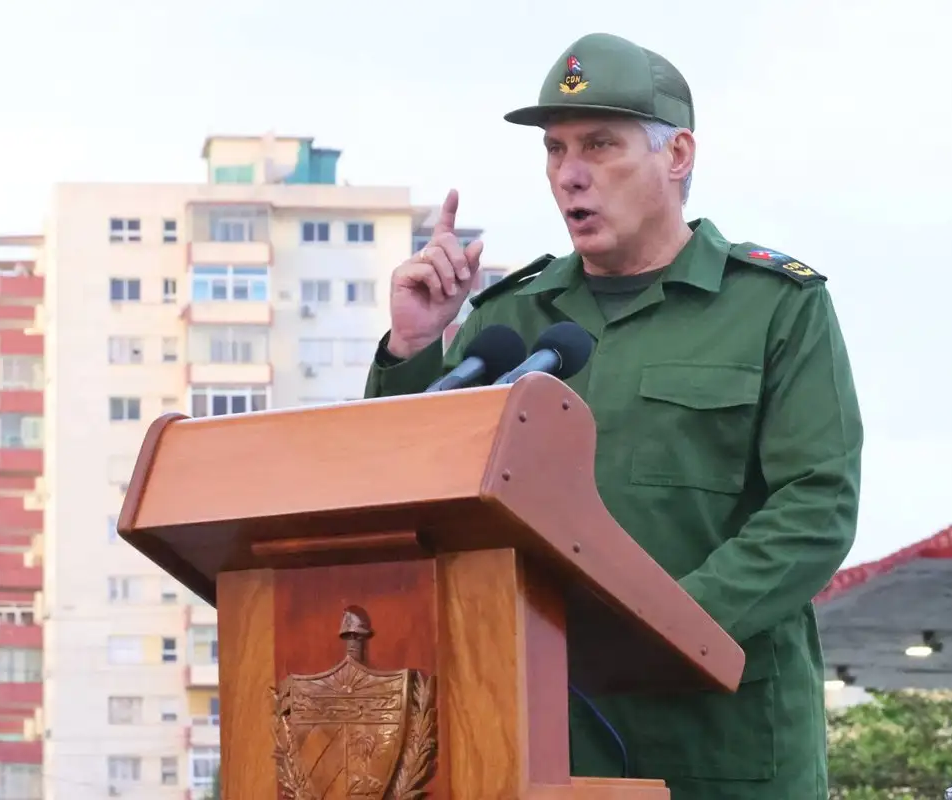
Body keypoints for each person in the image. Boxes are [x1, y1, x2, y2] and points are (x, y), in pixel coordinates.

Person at [363, 31, 863, 800]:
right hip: (536, 736)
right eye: (555, 150)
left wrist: (667, 624)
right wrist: (415, 345)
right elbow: (404, 499)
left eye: (600, 144)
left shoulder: (775, 307)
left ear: (677, 154)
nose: (570, 173)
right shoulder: (510, 321)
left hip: (720, 740)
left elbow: (816, 507)